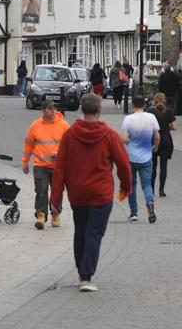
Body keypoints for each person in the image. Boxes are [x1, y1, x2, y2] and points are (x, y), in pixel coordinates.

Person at [50, 94, 131, 292]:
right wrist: (125, 188)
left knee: (81, 232)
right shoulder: (109, 135)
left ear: (82, 109)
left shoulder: (69, 135)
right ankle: (86, 276)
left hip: (77, 193)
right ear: (99, 110)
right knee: (94, 233)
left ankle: (81, 270)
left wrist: (56, 198)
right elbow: (123, 165)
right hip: (101, 193)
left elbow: (59, 168)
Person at [23, 100, 70, 230]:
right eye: (50, 108)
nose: (53, 110)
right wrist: (25, 161)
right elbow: (28, 144)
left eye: (54, 108)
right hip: (40, 165)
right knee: (41, 190)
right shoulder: (35, 126)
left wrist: (61, 155)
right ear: (43, 111)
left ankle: (55, 214)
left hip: (58, 166)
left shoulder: (64, 125)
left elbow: (71, 146)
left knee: (57, 191)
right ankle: (41, 215)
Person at [122, 95, 160, 223]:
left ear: (132, 105)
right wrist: (155, 147)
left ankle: (134, 213)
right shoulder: (151, 117)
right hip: (146, 156)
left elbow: (124, 138)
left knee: (131, 185)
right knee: (146, 184)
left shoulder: (128, 119)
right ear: (144, 105)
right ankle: (149, 202)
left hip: (131, 158)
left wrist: (127, 140)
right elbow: (157, 137)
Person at [147, 93, 176, 197]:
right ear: (164, 100)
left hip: (152, 140)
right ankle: (161, 190)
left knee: (153, 166)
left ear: (154, 100)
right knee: (163, 166)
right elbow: (174, 127)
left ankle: (151, 189)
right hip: (166, 141)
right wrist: (167, 126)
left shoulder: (150, 111)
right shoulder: (168, 111)